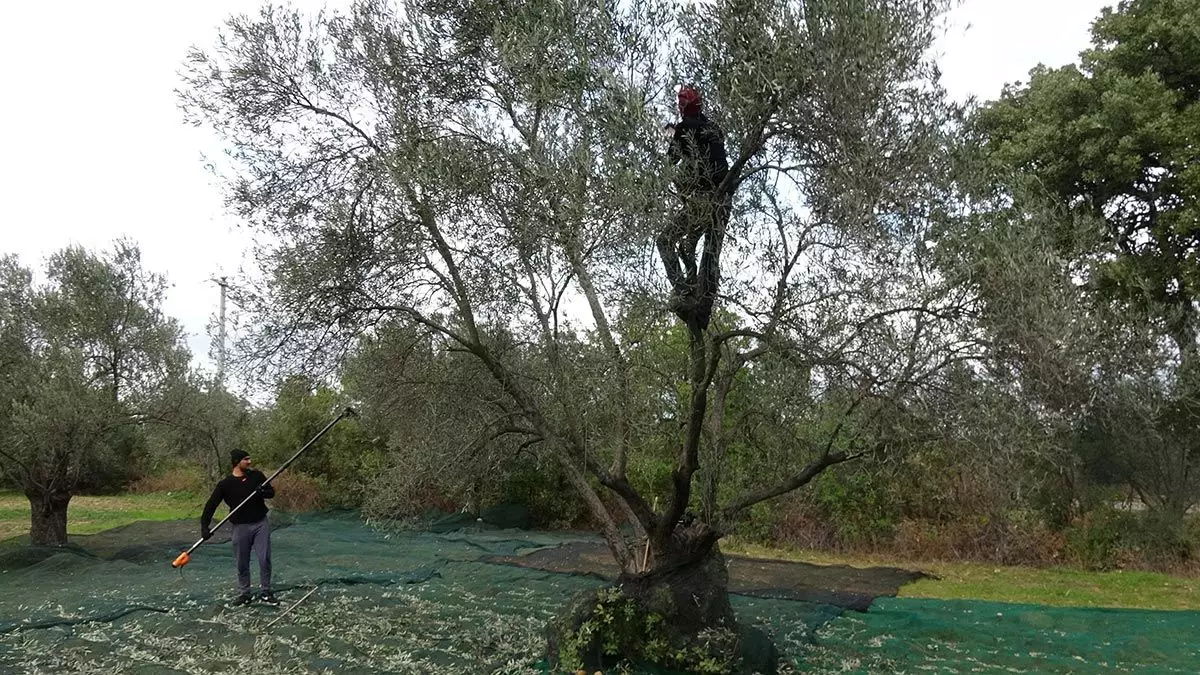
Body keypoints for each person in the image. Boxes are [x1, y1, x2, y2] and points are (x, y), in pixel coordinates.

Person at [658, 85, 733, 313]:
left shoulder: (684, 129)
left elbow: (671, 163)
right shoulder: (715, 129)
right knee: (708, 252)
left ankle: (683, 291)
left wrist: (671, 136)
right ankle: (703, 306)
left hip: (703, 199)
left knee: (665, 240)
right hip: (724, 200)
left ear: (682, 109)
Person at [201, 449, 278, 605]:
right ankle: (245, 593)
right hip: (240, 527)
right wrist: (205, 526)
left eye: (249, 459)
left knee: (264, 559)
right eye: (246, 459)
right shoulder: (225, 484)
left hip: (260, 523)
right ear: (237, 462)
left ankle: (266, 591)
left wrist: (261, 491)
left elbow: (271, 493)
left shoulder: (256, 476)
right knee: (242, 562)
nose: (249, 462)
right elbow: (211, 505)